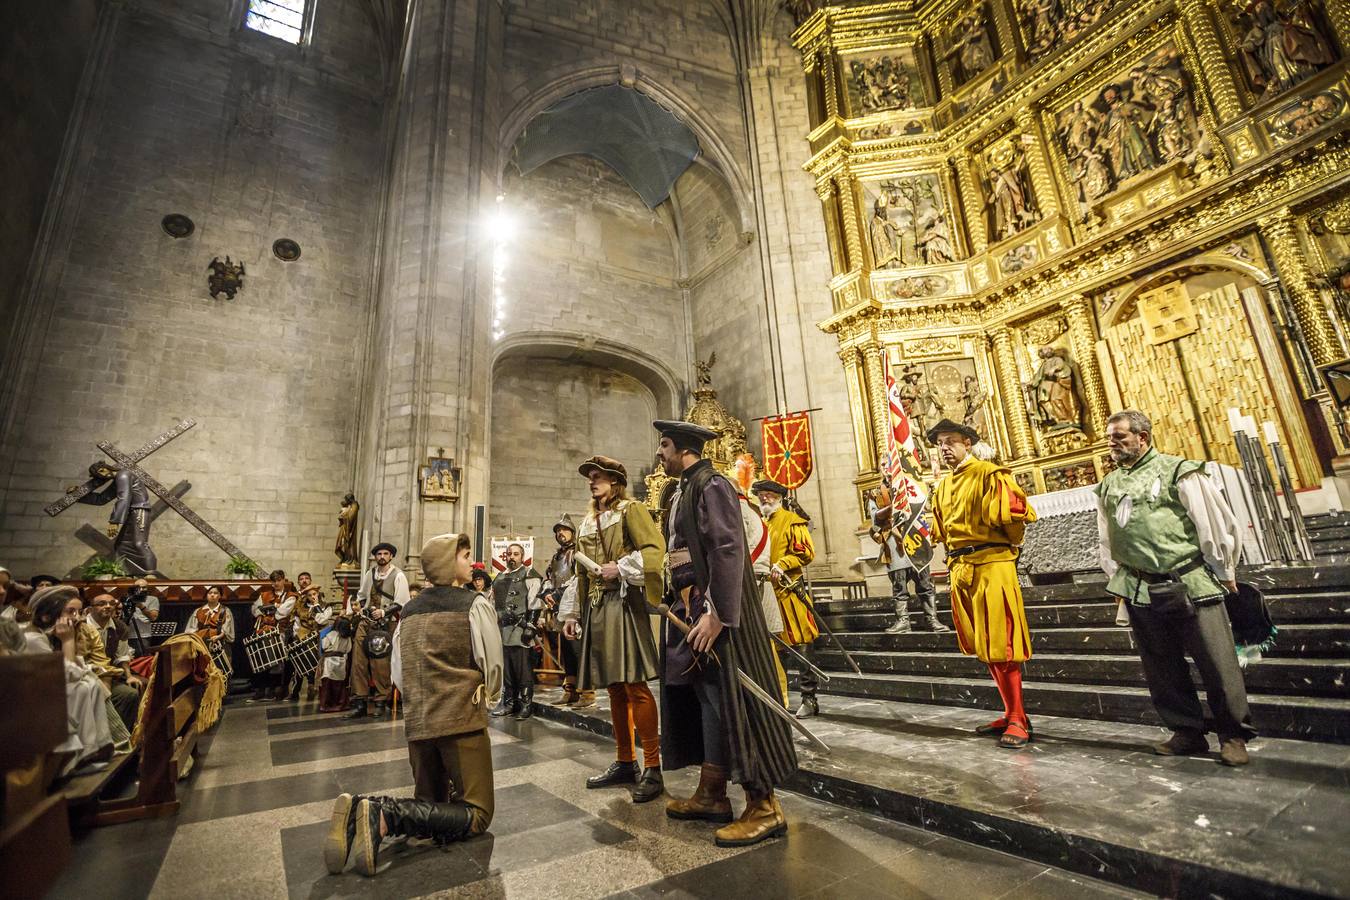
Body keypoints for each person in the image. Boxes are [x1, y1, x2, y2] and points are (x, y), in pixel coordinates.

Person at [324, 531, 501, 877]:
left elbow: (398, 673)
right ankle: (385, 814)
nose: (470, 562)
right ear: (451, 564)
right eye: (465, 556)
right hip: (462, 718)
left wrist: (418, 703)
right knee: (477, 813)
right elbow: (491, 661)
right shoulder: (474, 604)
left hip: (419, 721)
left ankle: (362, 813)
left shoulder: (409, 611)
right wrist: (489, 700)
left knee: (432, 804)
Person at [655, 420, 797, 847]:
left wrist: (717, 611)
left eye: (664, 445)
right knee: (708, 699)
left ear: (683, 449)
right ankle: (713, 793)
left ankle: (765, 805)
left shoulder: (712, 484)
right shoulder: (684, 487)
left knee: (738, 703)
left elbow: (728, 548)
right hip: (692, 606)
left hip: (721, 614)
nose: (659, 453)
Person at [1096, 410, 1255, 766]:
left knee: (1217, 662)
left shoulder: (1178, 470)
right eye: (1110, 438)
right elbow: (1106, 537)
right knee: (1161, 665)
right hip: (1139, 585)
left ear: (1143, 438)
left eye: (1120, 437)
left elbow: (1213, 523)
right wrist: (1116, 575)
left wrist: (1224, 568)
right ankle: (1186, 731)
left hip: (1188, 578)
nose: (1113, 444)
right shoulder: (1108, 484)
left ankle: (1233, 735)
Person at [559, 455, 666, 803]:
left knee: (635, 684)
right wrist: (571, 613)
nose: (592, 482)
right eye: (591, 477)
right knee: (615, 689)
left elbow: (654, 551)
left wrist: (619, 568)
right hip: (596, 607)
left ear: (615, 481)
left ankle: (652, 765)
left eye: (599, 477)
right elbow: (579, 574)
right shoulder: (589, 521)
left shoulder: (631, 510)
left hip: (623, 603)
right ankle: (624, 761)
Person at [927, 419, 1038, 749]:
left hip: (992, 564)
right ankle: (1009, 711)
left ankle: (1019, 718)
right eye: (939, 444)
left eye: (950, 442)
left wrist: (1007, 550)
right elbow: (942, 532)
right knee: (986, 645)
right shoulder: (943, 486)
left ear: (967, 442)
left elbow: (1015, 517)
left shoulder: (990, 474)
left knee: (1003, 642)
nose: (944, 448)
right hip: (961, 566)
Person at [22, 586, 116, 774]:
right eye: (70, 611)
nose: (76, 617)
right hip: (32, 700)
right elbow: (67, 676)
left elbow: (72, 670)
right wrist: (68, 641)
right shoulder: (33, 639)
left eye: (79, 612)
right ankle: (78, 756)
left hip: (50, 691)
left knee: (91, 684)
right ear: (48, 614)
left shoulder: (47, 635)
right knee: (81, 687)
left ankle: (95, 748)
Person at [752, 479, 821, 719]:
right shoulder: (761, 524)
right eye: (760, 495)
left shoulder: (792, 521)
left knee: (801, 644)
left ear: (779, 497)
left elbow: (806, 552)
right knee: (774, 648)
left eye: (768, 495)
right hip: (769, 595)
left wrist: (784, 563)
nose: (764, 499)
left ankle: (809, 697)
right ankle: (780, 696)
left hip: (791, 592)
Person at [868, 489, 948, 635]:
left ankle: (932, 620)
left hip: (916, 540)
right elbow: (875, 517)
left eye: (888, 464)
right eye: (884, 464)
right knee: (899, 587)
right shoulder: (876, 493)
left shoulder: (910, 485)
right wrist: (894, 507)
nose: (887, 466)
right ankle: (903, 622)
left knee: (926, 585)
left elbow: (922, 505)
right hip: (894, 543)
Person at [346, 543, 409, 719]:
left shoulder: (399, 576)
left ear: (391, 556)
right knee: (358, 661)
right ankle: (360, 702)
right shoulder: (369, 574)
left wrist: (383, 611)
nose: (381, 556)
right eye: (379, 553)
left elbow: (402, 602)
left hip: (385, 625)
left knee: (380, 664)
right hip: (366, 623)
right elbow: (362, 596)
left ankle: (381, 701)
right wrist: (358, 607)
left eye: (385, 553)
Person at [489, 543, 543, 721]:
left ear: (522, 556)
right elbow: (493, 602)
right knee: (507, 670)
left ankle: (526, 705)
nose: (512, 557)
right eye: (509, 554)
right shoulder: (499, 577)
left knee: (522, 670)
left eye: (516, 554)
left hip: (519, 629)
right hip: (501, 629)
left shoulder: (529, 574)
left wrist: (530, 627)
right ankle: (509, 703)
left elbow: (535, 603)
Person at [543, 514, 591, 707]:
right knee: (567, 654)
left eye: (564, 530)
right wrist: (547, 592)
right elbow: (549, 577)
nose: (560, 533)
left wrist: (558, 594)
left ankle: (587, 692)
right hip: (559, 609)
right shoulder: (557, 557)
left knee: (578, 651)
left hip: (574, 608)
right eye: (557, 531)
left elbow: (579, 579)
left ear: (572, 532)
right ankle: (570, 690)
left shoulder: (578, 553)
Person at [81, 592, 144, 729]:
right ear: (90, 609)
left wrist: (129, 676)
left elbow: (122, 656)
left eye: (112, 603)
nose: (108, 606)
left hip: (106, 675)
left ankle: (120, 736)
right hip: (84, 676)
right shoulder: (81, 626)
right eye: (102, 604)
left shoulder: (120, 627)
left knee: (130, 694)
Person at [250, 570, 295, 702]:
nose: (276, 583)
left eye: (278, 580)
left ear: (283, 580)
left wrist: (270, 608)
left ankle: (276, 689)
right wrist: (272, 607)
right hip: (263, 630)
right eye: (273, 581)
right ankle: (262, 689)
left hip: (279, 632)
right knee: (262, 660)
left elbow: (282, 613)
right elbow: (255, 609)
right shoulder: (264, 594)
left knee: (277, 661)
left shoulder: (290, 596)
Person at [290, 572, 327, 700]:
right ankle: (295, 692)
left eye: (314, 594)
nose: (312, 596)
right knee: (298, 664)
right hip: (303, 635)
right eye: (310, 594)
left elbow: (322, 620)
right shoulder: (301, 604)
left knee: (314, 664)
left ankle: (313, 688)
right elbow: (296, 620)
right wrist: (297, 635)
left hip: (317, 637)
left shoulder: (324, 605)